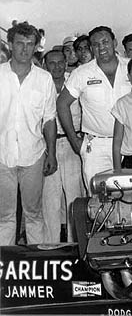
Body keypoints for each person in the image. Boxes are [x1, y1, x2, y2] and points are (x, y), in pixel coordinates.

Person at [0, 22, 57, 245]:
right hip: (2, 157)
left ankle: (36, 264)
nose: (25, 49)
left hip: (33, 156)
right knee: (4, 217)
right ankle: (3, 271)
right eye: (20, 44)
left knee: (33, 214)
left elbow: (49, 119)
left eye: (30, 44)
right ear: (10, 45)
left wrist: (51, 154)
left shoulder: (44, 79)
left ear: (36, 47)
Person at [57, 26, 131, 193]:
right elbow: (62, 104)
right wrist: (74, 140)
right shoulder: (82, 73)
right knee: (98, 202)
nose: (101, 47)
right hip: (96, 146)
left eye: (105, 42)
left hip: (130, 144)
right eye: (96, 44)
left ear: (114, 43)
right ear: (91, 48)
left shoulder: (130, 67)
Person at [42, 49, 85, 242]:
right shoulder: (41, 84)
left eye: (61, 62)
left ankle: (74, 245)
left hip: (72, 143)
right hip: (48, 145)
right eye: (52, 63)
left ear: (67, 63)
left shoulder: (75, 81)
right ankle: (51, 246)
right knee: (49, 200)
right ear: (45, 65)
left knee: (74, 196)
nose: (57, 67)